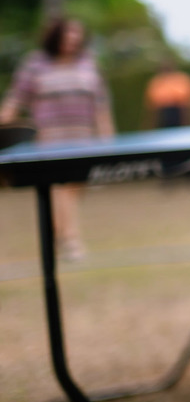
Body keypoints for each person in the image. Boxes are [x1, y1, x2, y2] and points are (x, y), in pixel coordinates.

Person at [0, 17, 114, 260]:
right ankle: (72, 240)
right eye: (67, 35)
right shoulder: (36, 63)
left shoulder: (88, 62)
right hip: (50, 138)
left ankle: (56, 236)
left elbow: (101, 103)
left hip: (83, 138)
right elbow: (16, 98)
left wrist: (108, 137)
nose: (72, 40)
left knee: (73, 190)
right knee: (59, 189)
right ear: (56, 37)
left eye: (77, 36)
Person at [143, 59, 190, 128]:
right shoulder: (156, 81)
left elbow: (187, 103)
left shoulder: (181, 79)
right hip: (163, 113)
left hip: (178, 112)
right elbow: (152, 106)